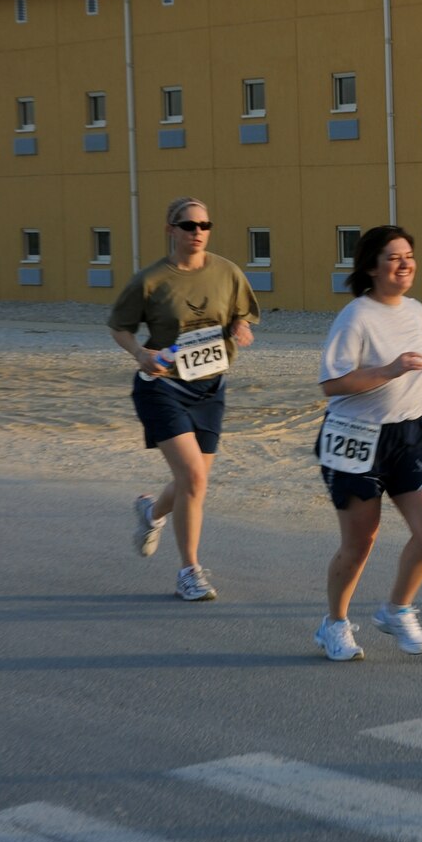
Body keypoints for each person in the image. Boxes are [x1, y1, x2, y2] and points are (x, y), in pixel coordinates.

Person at [108, 196, 260, 602]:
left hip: (210, 388)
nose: (198, 232)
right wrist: (141, 353)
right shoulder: (151, 280)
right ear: (170, 229)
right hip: (162, 388)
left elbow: (241, 313)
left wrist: (240, 326)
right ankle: (189, 571)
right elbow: (119, 327)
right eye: (188, 225)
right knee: (193, 478)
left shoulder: (227, 272)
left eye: (204, 225)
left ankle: (151, 513)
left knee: (193, 481)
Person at [312, 226, 422, 661]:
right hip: (356, 437)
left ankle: (398, 608)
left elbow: (415, 359)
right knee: (360, 544)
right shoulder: (356, 317)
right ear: (372, 267)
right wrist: (389, 371)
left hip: (411, 431)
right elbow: (332, 383)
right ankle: (334, 623)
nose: (405, 263)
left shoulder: (415, 310)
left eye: (409, 255)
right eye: (393, 257)